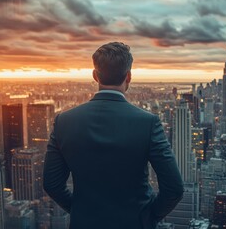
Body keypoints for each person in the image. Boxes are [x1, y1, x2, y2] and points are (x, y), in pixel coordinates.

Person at [43, 42, 184, 229]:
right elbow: (174, 188)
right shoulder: (148, 123)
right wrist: (147, 217)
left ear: (95, 76)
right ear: (129, 76)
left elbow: (51, 184)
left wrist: (80, 210)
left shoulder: (64, 121)